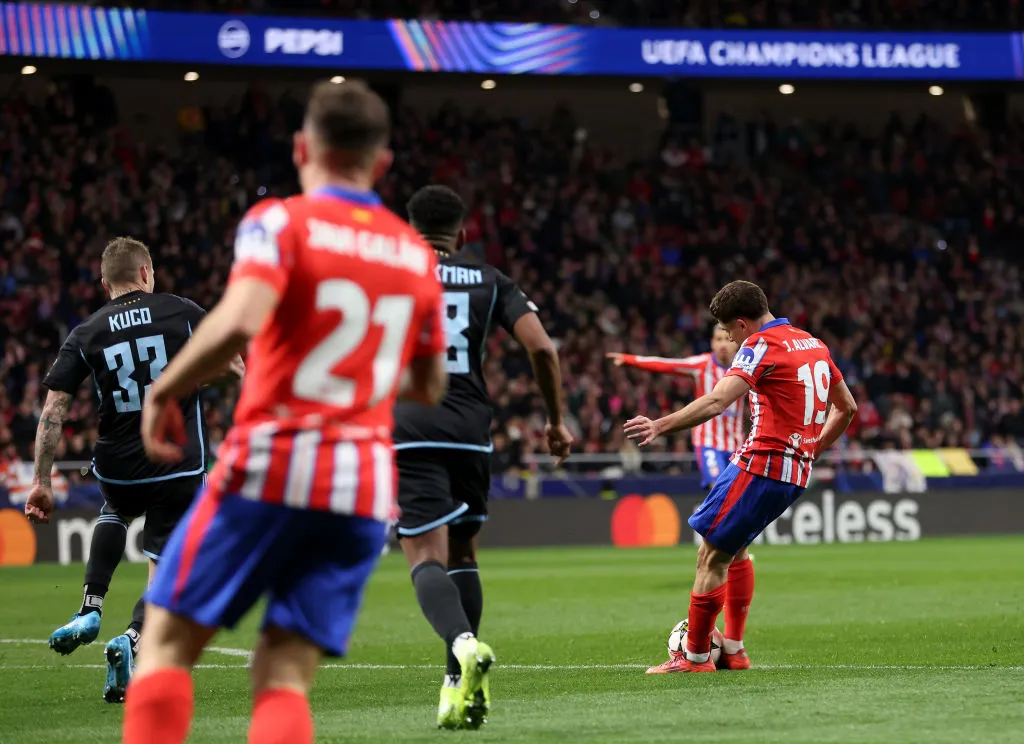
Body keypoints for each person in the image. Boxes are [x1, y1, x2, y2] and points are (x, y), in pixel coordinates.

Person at [122, 80, 449, 744]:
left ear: (303, 148)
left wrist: (164, 390)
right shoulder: (414, 255)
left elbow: (240, 319)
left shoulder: (281, 221)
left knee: (164, 646)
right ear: (380, 163)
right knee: (284, 675)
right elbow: (429, 385)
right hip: (359, 489)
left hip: (273, 462)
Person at [25, 236, 243, 703]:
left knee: (115, 508)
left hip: (118, 465)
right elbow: (235, 369)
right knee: (166, 566)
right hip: (178, 465)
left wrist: (42, 482)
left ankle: (90, 605)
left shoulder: (87, 331)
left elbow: (53, 411)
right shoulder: (181, 311)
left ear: (105, 284)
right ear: (147, 272)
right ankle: (133, 639)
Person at [394, 184, 572, 729]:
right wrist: (556, 419)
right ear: (464, 233)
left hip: (411, 425)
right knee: (465, 551)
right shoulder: (488, 279)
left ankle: (463, 644)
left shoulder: (386, 277)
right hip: (470, 429)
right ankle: (455, 687)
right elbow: (542, 347)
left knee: (424, 553)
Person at [624, 280, 857, 673]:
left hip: (760, 465)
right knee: (734, 553)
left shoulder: (759, 346)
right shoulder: (812, 343)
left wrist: (660, 426)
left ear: (744, 324)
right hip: (793, 473)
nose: (729, 338)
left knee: (710, 556)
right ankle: (733, 649)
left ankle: (695, 658)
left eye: (730, 329)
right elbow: (847, 407)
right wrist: (811, 451)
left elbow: (717, 400)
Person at [607, 324, 741, 488]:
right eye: (719, 339)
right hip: (708, 441)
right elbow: (665, 364)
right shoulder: (701, 364)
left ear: (736, 342)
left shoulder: (744, 366)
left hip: (736, 443)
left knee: (737, 493)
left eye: (727, 340)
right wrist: (630, 359)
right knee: (719, 489)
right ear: (712, 343)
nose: (723, 345)